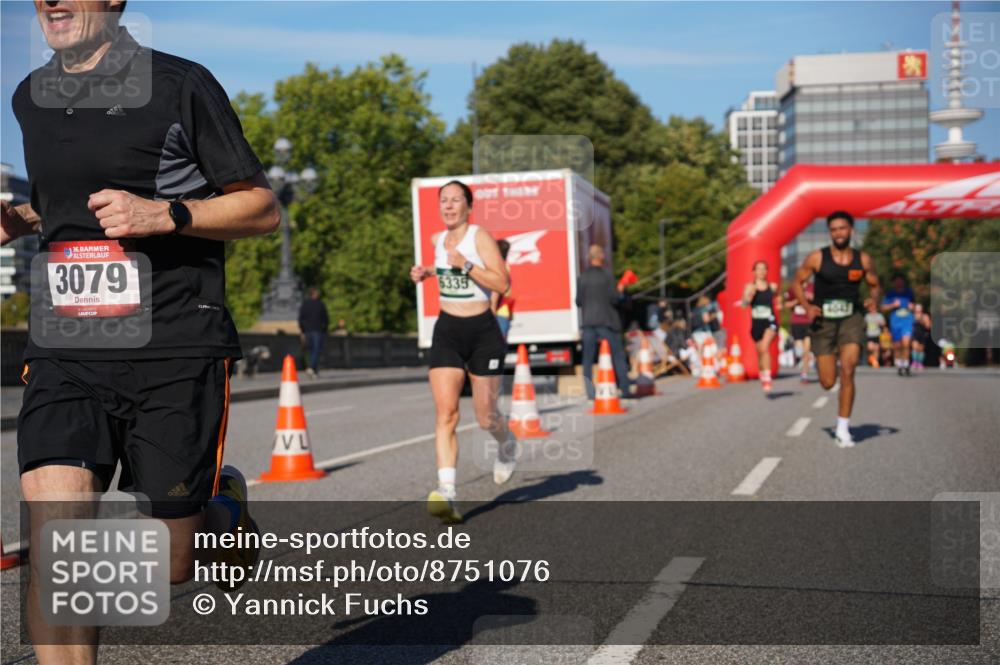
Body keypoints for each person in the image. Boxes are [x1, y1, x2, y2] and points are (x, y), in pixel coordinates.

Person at [4, 3, 278, 662]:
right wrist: (18, 215)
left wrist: (169, 214)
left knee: (172, 561)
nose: (50, 2)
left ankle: (221, 514)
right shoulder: (30, 100)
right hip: (67, 346)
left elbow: (261, 206)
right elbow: (66, 201)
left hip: (174, 343)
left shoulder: (180, 85)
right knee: (60, 535)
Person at [410, 180, 516, 523]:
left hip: (483, 332)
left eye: (456, 200)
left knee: (486, 416)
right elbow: (445, 271)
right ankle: (448, 493)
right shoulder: (437, 241)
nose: (449, 206)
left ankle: (506, 444)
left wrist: (467, 264)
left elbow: (502, 283)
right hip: (448, 332)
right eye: (444, 201)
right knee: (447, 414)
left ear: (469, 206)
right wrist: (426, 272)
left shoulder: (479, 237)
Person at [791, 211, 880, 448]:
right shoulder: (817, 258)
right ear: (830, 232)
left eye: (842, 228)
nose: (838, 233)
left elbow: (874, 285)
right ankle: (839, 412)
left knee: (848, 369)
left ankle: (843, 427)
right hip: (824, 322)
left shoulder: (863, 260)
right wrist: (807, 306)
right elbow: (797, 282)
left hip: (852, 318)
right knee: (828, 382)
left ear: (851, 230)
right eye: (834, 229)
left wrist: (873, 300)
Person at [577, 244, 632, 401]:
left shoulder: (582, 277)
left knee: (587, 358)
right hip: (607, 321)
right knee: (617, 355)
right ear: (601, 256)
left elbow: (578, 301)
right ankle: (625, 388)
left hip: (588, 322)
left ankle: (590, 393)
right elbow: (614, 299)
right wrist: (621, 291)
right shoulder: (607, 276)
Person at [738, 260, 780, 392]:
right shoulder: (749, 286)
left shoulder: (772, 286)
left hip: (770, 320)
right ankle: (763, 373)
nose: (761, 271)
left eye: (764, 269)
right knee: (760, 352)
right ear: (754, 272)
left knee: (764, 346)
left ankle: (767, 377)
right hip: (757, 323)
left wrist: (779, 304)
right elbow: (744, 305)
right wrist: (749, 296)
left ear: (767, 271)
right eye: (759, 269)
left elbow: (778, 299)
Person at [882, 273, 916, 376]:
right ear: (893, 283)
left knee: (906, 343)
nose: (899, 283)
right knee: (897, 346)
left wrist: (912, 307)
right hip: (895, 322)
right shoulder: (890, 294)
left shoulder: (909, 293)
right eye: (897, 281)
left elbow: (914, 305)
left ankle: (905, 365)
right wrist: (893, 305)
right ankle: (899, 363)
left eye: (901, 280)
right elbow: (883, 308)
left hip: (907, 321)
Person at [785, 280, 815, 382]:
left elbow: (820, 301)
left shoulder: (812, 287)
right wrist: (798, 300)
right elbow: (786, 304)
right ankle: (800, 359)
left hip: (809, 322)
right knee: (800, 351)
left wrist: (811, 298)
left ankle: (804, 374)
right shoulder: (793, 288)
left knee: (807, 350)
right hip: (797, 323)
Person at [298, 287, 329, 378]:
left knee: (311, 350)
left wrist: (303, 330)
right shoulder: (320, 304)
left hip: (308, 330)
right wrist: (324, 329)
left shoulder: (305, 304)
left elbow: (300, 319)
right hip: (317, 330)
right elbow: (326, 319)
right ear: (314, 294)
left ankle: (314, 371)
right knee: (316, 350)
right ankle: (311, 368)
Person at [491, 238, 514, 341]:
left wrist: (490, 314)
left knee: (495, 346)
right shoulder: (505, 267)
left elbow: (496, 292)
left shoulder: (498, 269)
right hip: (504, 311)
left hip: (498, 312)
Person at [863, 299, 887, 368]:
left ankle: (875, 362)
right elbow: (864, 325)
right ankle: (872, 360)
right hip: (869, 335)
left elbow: (884, 324)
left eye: (874, 307)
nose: (873, 309)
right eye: (871, 307)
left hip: (877, 335)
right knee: (870, 348)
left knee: (876, 349)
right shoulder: (867, 316)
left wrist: (880, 323)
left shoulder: (879, 316)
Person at [911, 303, 931, 372]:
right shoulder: (912, 316)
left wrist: (922, 321)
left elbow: (928, 326)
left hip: (923, 334)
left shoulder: (925, 316)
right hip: (915, 334)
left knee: (921, 349)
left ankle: (920, 363)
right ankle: (914, 362)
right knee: (915, 347)